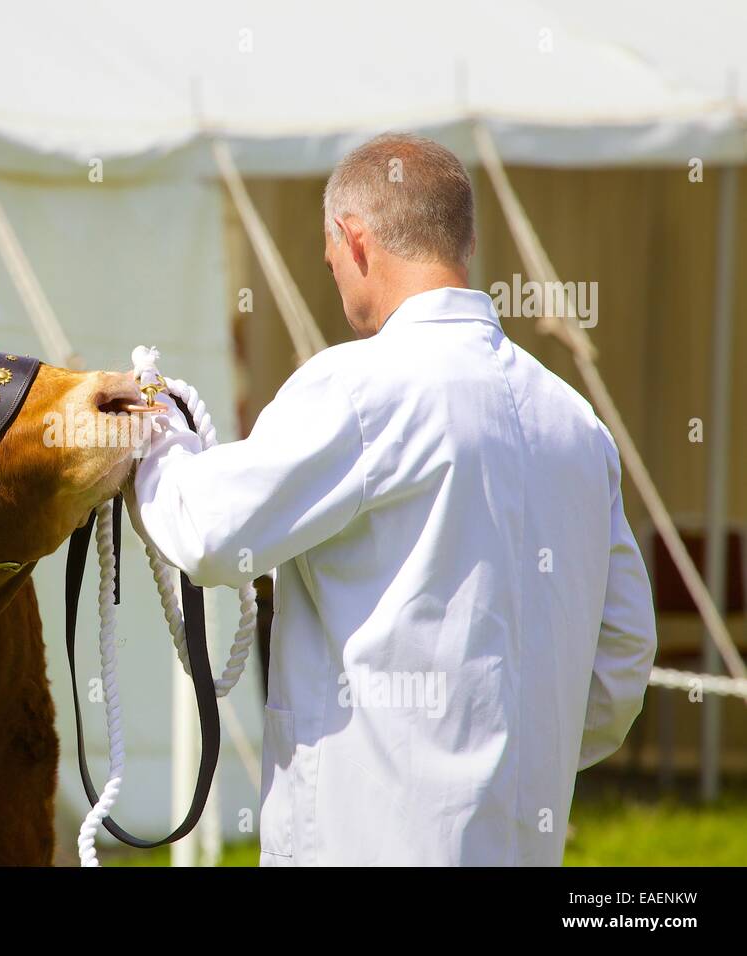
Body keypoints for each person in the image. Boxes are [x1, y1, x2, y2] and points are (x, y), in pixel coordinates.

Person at [126, 133, 657, 866]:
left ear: (355, 239)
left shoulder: (357, 387)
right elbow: (623, 658)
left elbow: (211, 533)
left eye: (331, 257)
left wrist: (151, 439)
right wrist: (507, 758)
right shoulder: (576, 421)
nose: (336, 276)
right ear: (464, 240)